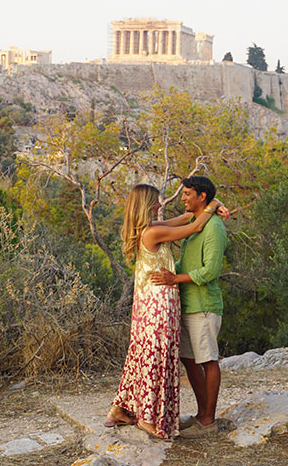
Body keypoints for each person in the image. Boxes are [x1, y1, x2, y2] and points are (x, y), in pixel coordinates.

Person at [105, 184, 223, 439]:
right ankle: (147, 418)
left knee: (141, 356)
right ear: (146, 205)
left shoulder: (149, 229)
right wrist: (212, 205)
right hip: (158, 305)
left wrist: (210, 204)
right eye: (156, 202)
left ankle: (119, 409)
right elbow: (193, 227)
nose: (161, 205)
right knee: (155, 359)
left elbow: (185, 218)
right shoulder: (153, 232)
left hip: (149, 303)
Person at [151, 176, 228, 439]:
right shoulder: (196, 223)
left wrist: (174, 278)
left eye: (186, 194)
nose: (182, 198)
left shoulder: (214, 227)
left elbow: (211, 271)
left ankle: (208, 420)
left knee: (208, 360)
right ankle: (201, 414)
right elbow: (187, 262)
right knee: (188, 358)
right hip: (187, 303)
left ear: (201, 196)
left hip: (204, 305)